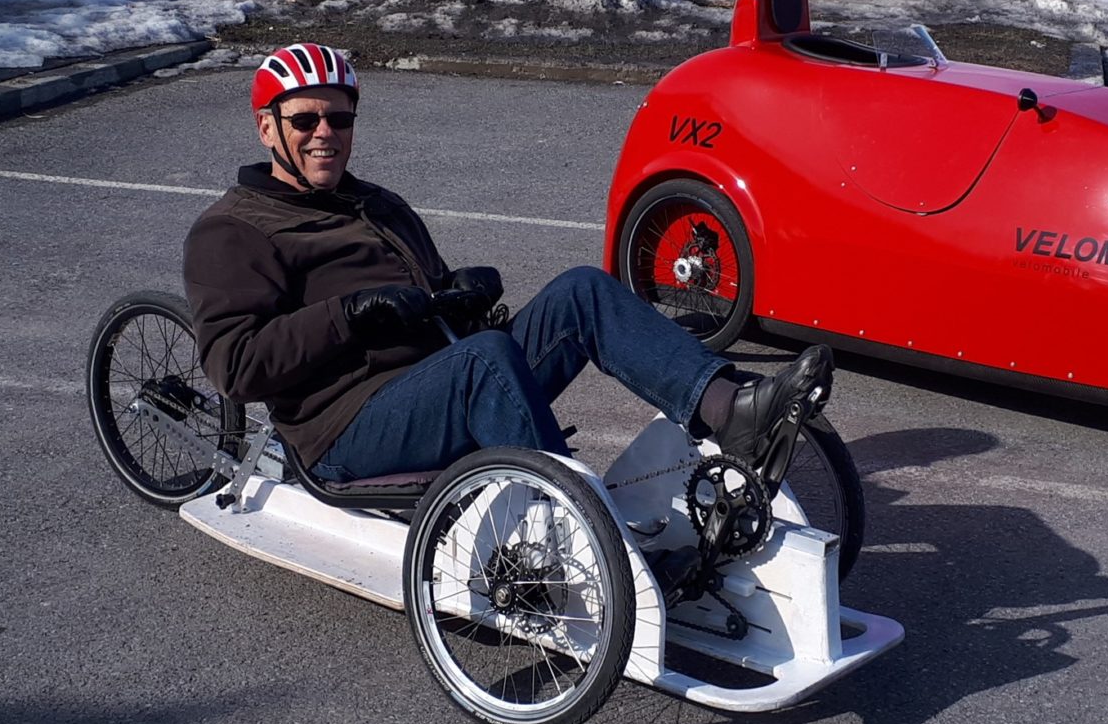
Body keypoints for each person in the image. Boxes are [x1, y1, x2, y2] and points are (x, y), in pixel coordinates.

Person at [182, 42, 833, 487]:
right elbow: (235, 367)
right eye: (304, 120)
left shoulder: (376, 203)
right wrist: (347, 316)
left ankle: (730, 412)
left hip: (437, 381)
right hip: (346, 428)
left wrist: (463, 297)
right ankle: (572, 527)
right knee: (484, 362)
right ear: (267, 128)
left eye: (340, 118)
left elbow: (432, 302)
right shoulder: (234, 231)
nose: (325, 133)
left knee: (582, 291)